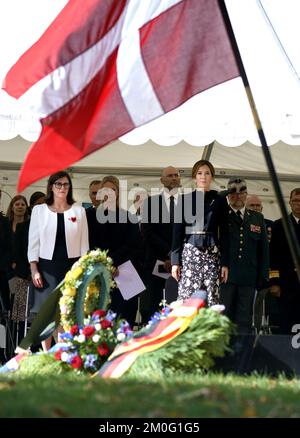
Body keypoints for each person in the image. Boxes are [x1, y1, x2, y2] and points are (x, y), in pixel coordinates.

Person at [28, 171, 89, 351]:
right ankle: (47, 354)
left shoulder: (79, 211)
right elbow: (33, 241)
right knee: (46, 314)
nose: (62, 188)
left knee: (66, 312)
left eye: (65, 184)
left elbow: (85, 244)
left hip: (72, 267)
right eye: (58, 184)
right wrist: (34, 268)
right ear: (51, 187)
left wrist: (85, 270)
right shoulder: (39, 210)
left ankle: (62, 353)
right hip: (46, 266)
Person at [171, 160, 229, 306]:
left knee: (211, 300)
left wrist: (225, 264)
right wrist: (175, 262)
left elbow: (226, 234)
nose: (203, 176)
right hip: (190, 255)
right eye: (200, 173)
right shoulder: (184, 199)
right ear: (194, 177)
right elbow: (177, 233)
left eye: (207, 173)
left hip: (212, 256)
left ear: (212, 177)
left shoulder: (220, 200)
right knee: (188, 300)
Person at [87, 175, 142, 327]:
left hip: (125, 272)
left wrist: (114, 263)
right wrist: (106, 263)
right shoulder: (90, 216)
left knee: (126, 321)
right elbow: (88, 243)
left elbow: (134, 245)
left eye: (113, 190)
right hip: (99, 270)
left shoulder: (129, 216)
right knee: (99, 320)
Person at [219, 178, 269, 334]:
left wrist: (263, 276)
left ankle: (242, 355)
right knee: (224, 318)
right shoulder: (221, 216)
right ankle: (225, 355)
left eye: (242, 192)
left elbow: (263, 250)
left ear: (246, 194)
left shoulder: (257, 218)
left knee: (244, 320)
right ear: (228, 195)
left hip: (248, 277)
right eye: (233, 193)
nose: (237, 196)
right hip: (226, 277)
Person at [141, 166, 181, 322]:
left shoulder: (187, 203)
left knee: (178, 305)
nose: (174, 178)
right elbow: (147, 232)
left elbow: (189, 232)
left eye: (176, 175)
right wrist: (168, 253)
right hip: (156, 261)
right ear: (162, 180)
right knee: (153, 304)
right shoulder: (151, 203)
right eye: (170, 175)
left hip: (179, 263)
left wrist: (175, 256)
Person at [11, 192, 46, 345]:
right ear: (32, 207)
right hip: (24, 276)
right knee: (20, 319)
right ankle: (18, 349)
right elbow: (18, 253)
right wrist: (28, 272)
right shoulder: (22, 226)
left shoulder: (49, 226)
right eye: (37, 204)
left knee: (41, 317)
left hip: (44, 278)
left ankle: (39, 349)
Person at [269, 188, 300, 334]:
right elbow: (273, 256)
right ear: (290, 202)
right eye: (295, 201)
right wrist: (274, 282)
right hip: (286, 283)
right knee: (286, 323)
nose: (298, 204)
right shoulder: (279, 225)